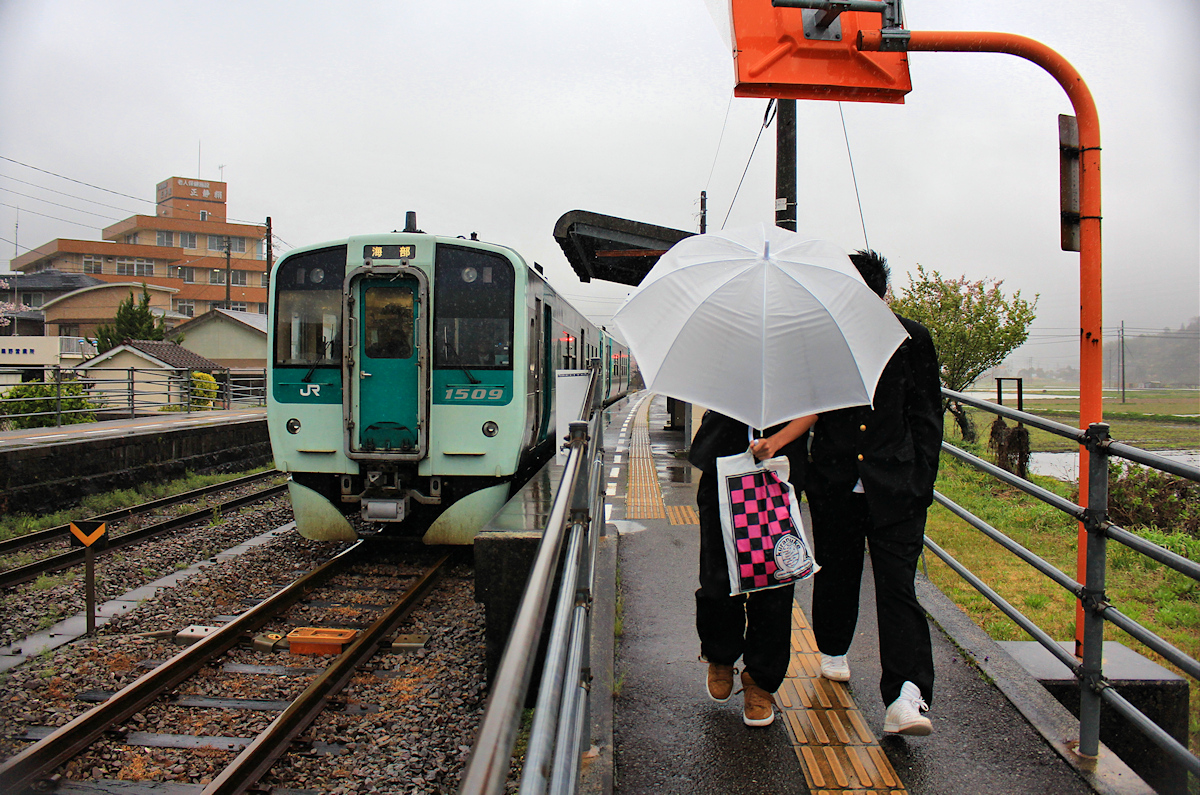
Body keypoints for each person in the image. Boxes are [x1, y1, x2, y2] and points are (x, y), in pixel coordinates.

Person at [805, 249, 943, 736]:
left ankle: (907, 696)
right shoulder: (822, 341)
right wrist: (808, 479)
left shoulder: (912, 340)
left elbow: (927, 417)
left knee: (898, 587)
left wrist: (920, 484)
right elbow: (806, 411)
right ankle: (833, 645)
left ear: (880, 295)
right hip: (836, 483)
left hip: (897, 488)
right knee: (838, 572)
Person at [689, 410, 815, 727]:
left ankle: (760, 681)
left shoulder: (799, 361)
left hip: (775, 472)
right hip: (721, 463)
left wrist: (774, 442)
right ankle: (720, 655)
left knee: (774, 579)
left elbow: (813, 410)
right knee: (717, 574)